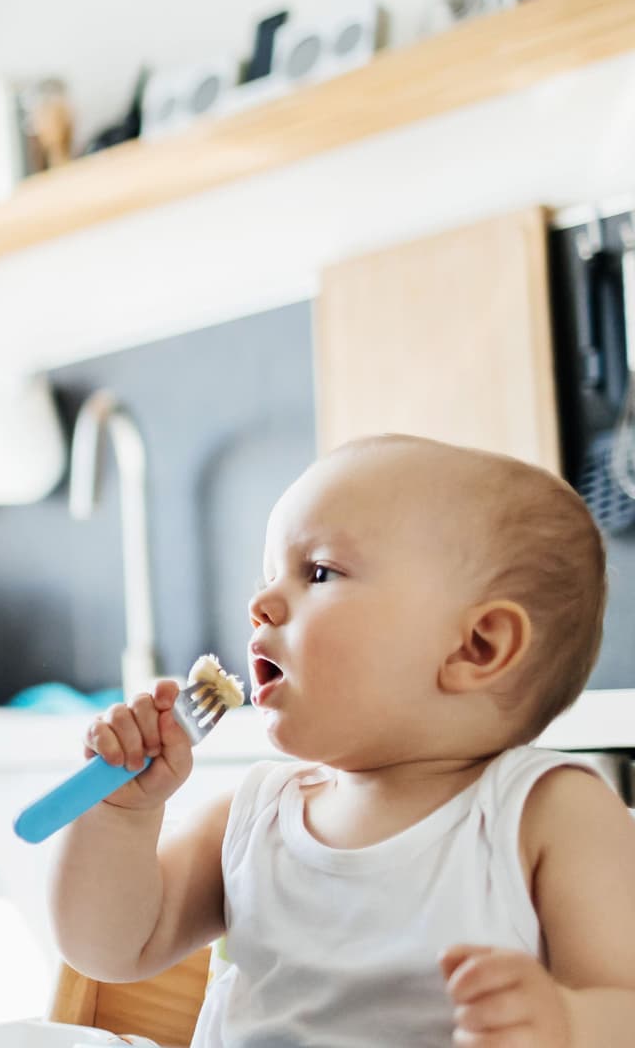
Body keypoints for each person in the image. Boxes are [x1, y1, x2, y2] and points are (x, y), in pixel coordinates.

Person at [48, 434, 635, 1046]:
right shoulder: (253, 819)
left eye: (319, 572)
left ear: (477, 647)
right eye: (269, 576)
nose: (260, 604)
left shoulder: (551, 817)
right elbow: (111, 949)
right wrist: (119, 816)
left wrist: (566, 1024)